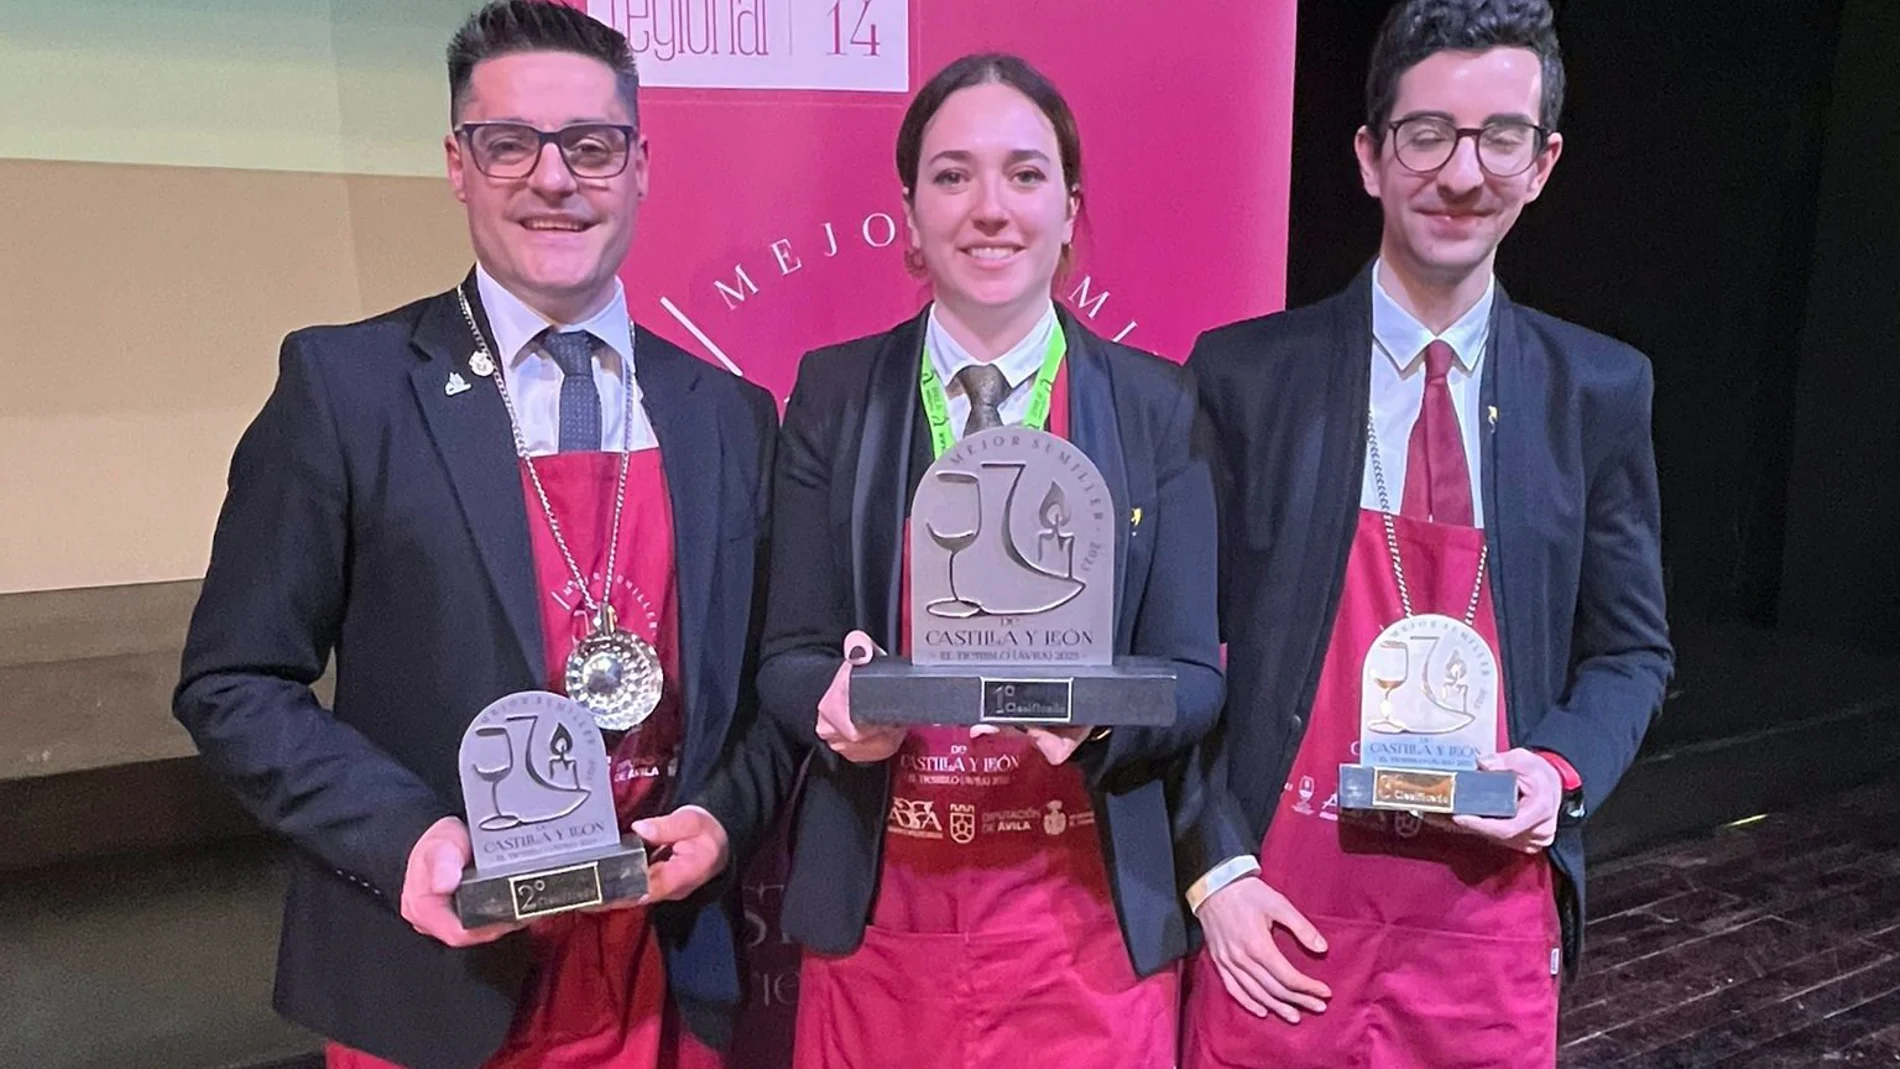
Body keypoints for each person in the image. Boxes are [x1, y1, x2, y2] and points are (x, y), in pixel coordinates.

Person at [173, 4, 786, 1067]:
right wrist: (406, 838)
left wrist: (725, 818)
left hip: (667, 976)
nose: (554, 179)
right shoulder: (346, 387)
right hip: (443, 979)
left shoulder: (727, 414)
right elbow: (235, 682)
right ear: (458, 164)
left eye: (591, 147)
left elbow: (776, 689)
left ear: (639, 166)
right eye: (510, 143)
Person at [1175, 2, 1672, 1066]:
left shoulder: (1596, 389)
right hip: (1279, 919)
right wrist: (1215, 871)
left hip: (1484, 935)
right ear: (1368, 155)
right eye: (1426, 134)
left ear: (1540, 164)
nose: (1459, 174)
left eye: (1500, 138)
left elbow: (1632, 652)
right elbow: (1172, 654)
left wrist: (1556, 772)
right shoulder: (1244, 377)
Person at [717, 52, 1225, 1069]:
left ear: (1070, 210)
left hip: (1085, 928)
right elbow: (790, 653)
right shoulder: (834, 394)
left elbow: (1195, 681)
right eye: (952, 175)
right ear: (909, 212)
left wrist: (1103, 712)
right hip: (881, 914)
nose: (990, 207)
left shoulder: (1156, 404)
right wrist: (834, 706)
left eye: (1025, 175)